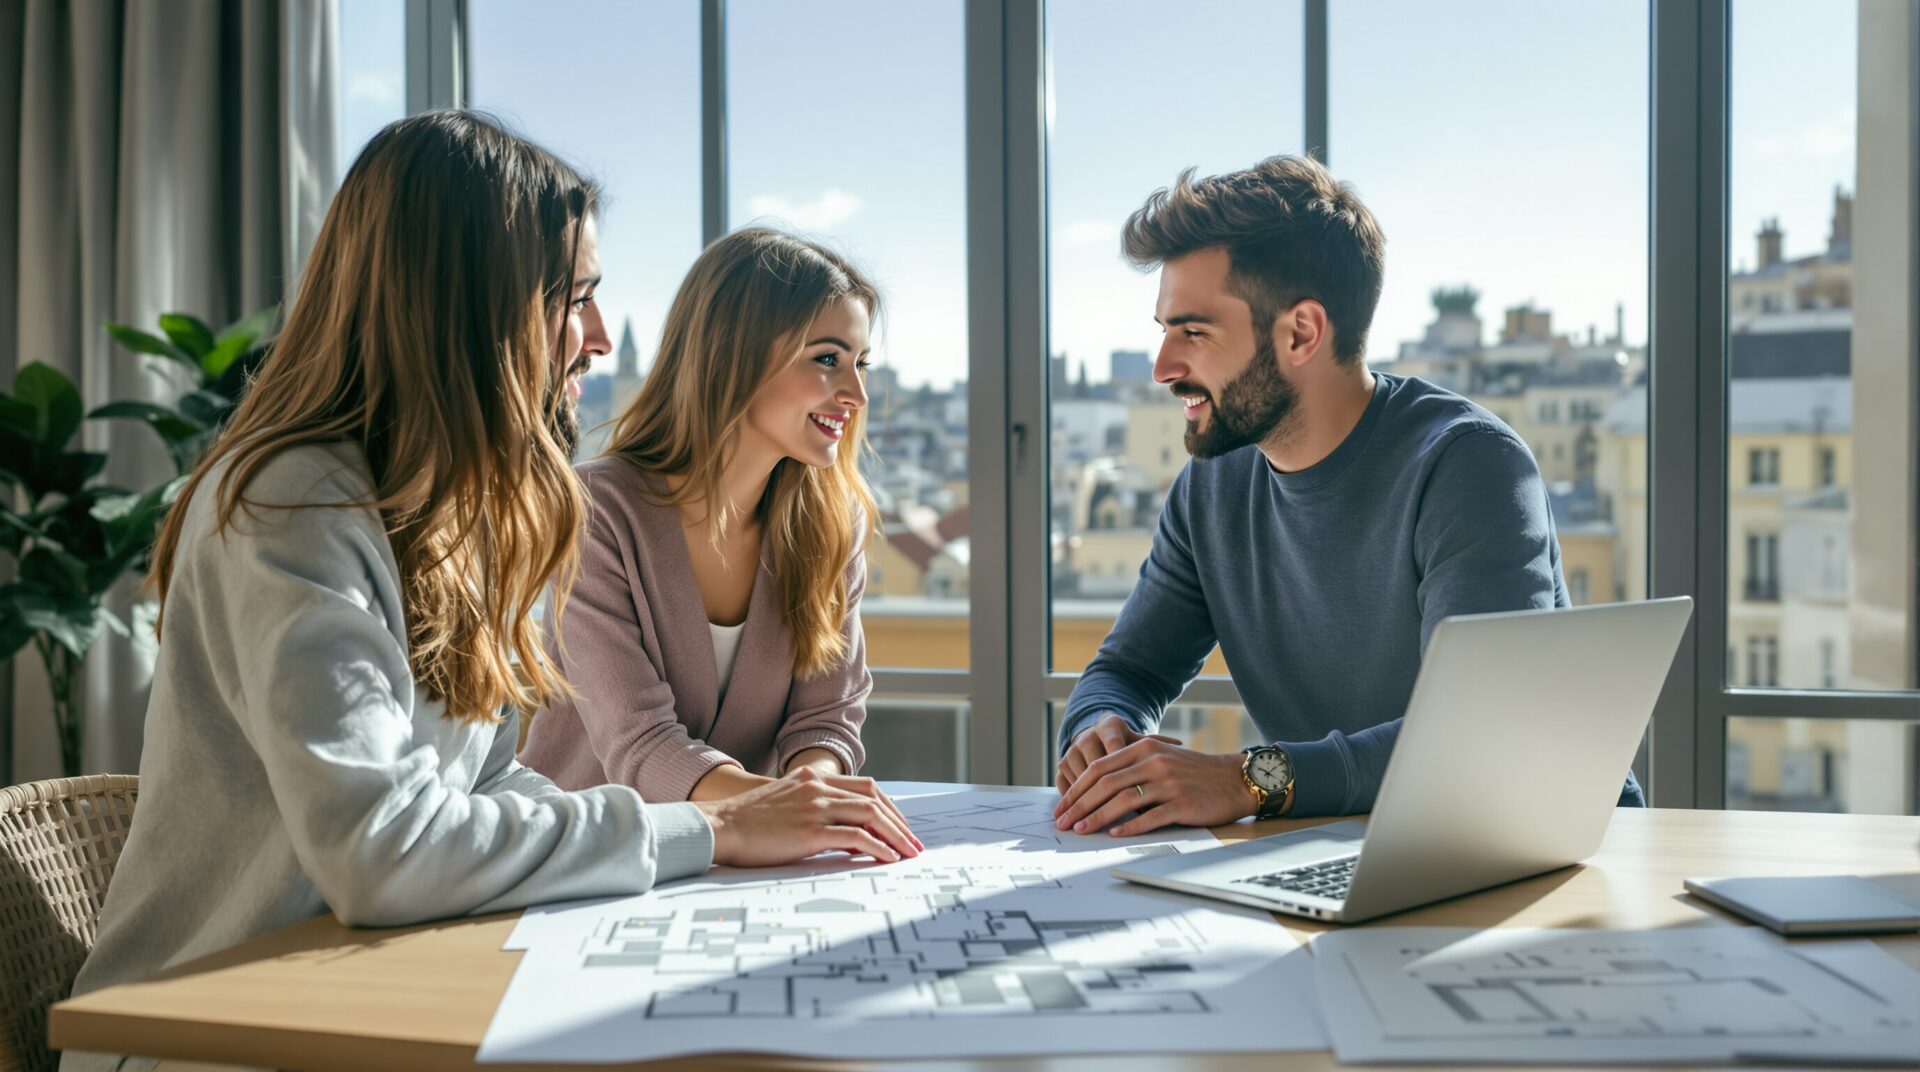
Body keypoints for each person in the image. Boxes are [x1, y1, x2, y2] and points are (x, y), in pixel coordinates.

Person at [65, 113, 916, 1072]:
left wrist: (714, 829)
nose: (597, 338)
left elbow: (488, 784)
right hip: (205, 1037)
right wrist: (706, 828)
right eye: (574, 298)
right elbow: (380, 850)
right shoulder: (292, 505)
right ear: (466, 304)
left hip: (373, 992)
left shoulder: (452, 515)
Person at [1052, 154, 1643, 838]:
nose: (1163, 370)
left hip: (1547, 851)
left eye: (1193, 332)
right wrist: (1101, 730)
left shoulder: (1468, 466)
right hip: (1345, 847)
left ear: (1300, 332)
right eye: (1163, 333)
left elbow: (1477, 737)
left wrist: (1247, 780)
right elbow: (1126, 669)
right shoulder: (1211, 487)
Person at [521, 228, 910, 832]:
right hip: (587, 863)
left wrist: (813, 792)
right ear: (736, 355)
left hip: (741, 863)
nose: (857, 393)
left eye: (861, 364)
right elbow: (641, 743)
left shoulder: (833, 523)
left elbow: (826, 718)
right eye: (828, 359)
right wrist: (780, 812)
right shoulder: (596, 511)